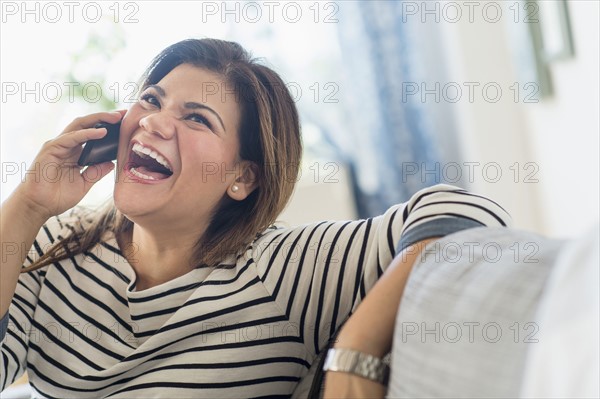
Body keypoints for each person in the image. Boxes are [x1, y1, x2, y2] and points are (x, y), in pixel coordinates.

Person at [0, 38, 510, 398]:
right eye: (151, 100)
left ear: (242, 177)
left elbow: (465, 211)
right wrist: (26, 205)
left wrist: (356, 353)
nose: (153, 120)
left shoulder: (280, 272)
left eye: (196, 118)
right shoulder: (55, 243)